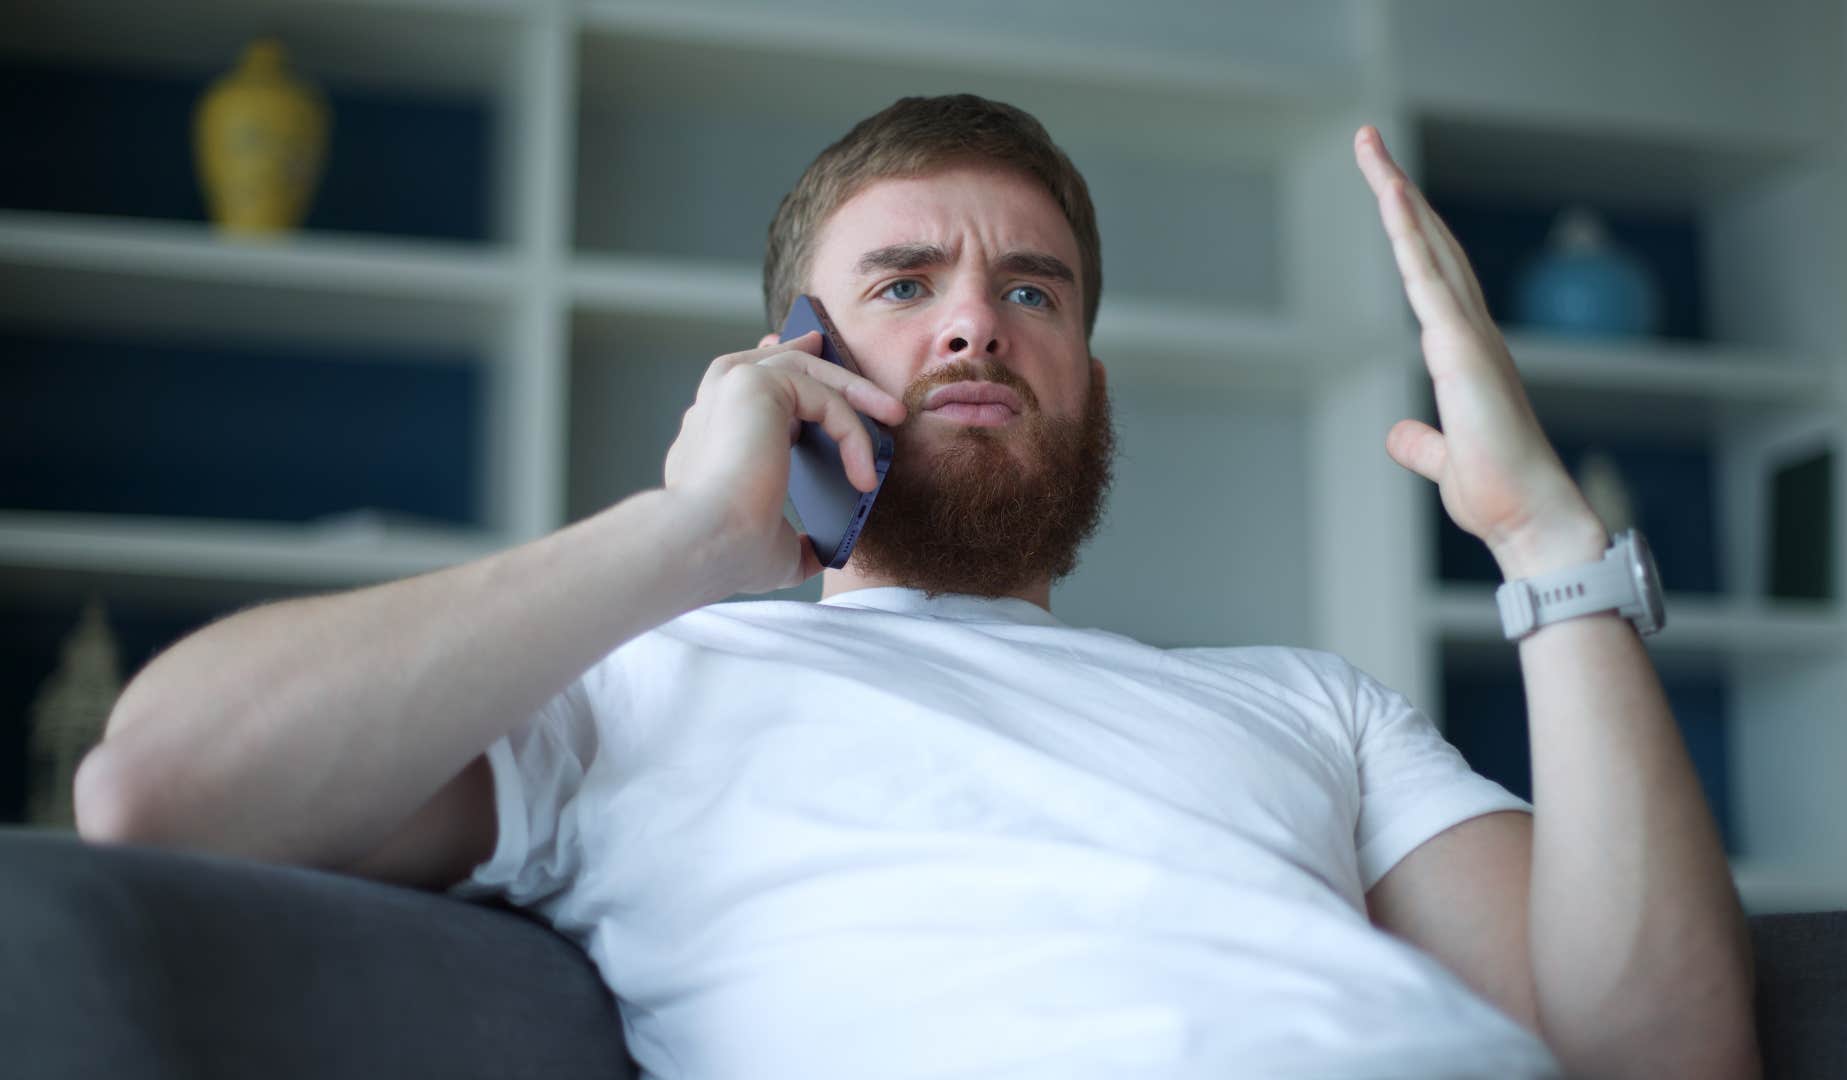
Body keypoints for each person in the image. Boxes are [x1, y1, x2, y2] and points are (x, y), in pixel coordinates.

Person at [74, 95, 1759, 1078]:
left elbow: (1664, 1054)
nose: (976, 323)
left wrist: (1554, 553)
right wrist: (687, 538)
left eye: (1037, 291)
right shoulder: (640, 680)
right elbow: (156, 788)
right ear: (788, 361)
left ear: (1090, 378)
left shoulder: (1305, 704)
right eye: (903, 282)